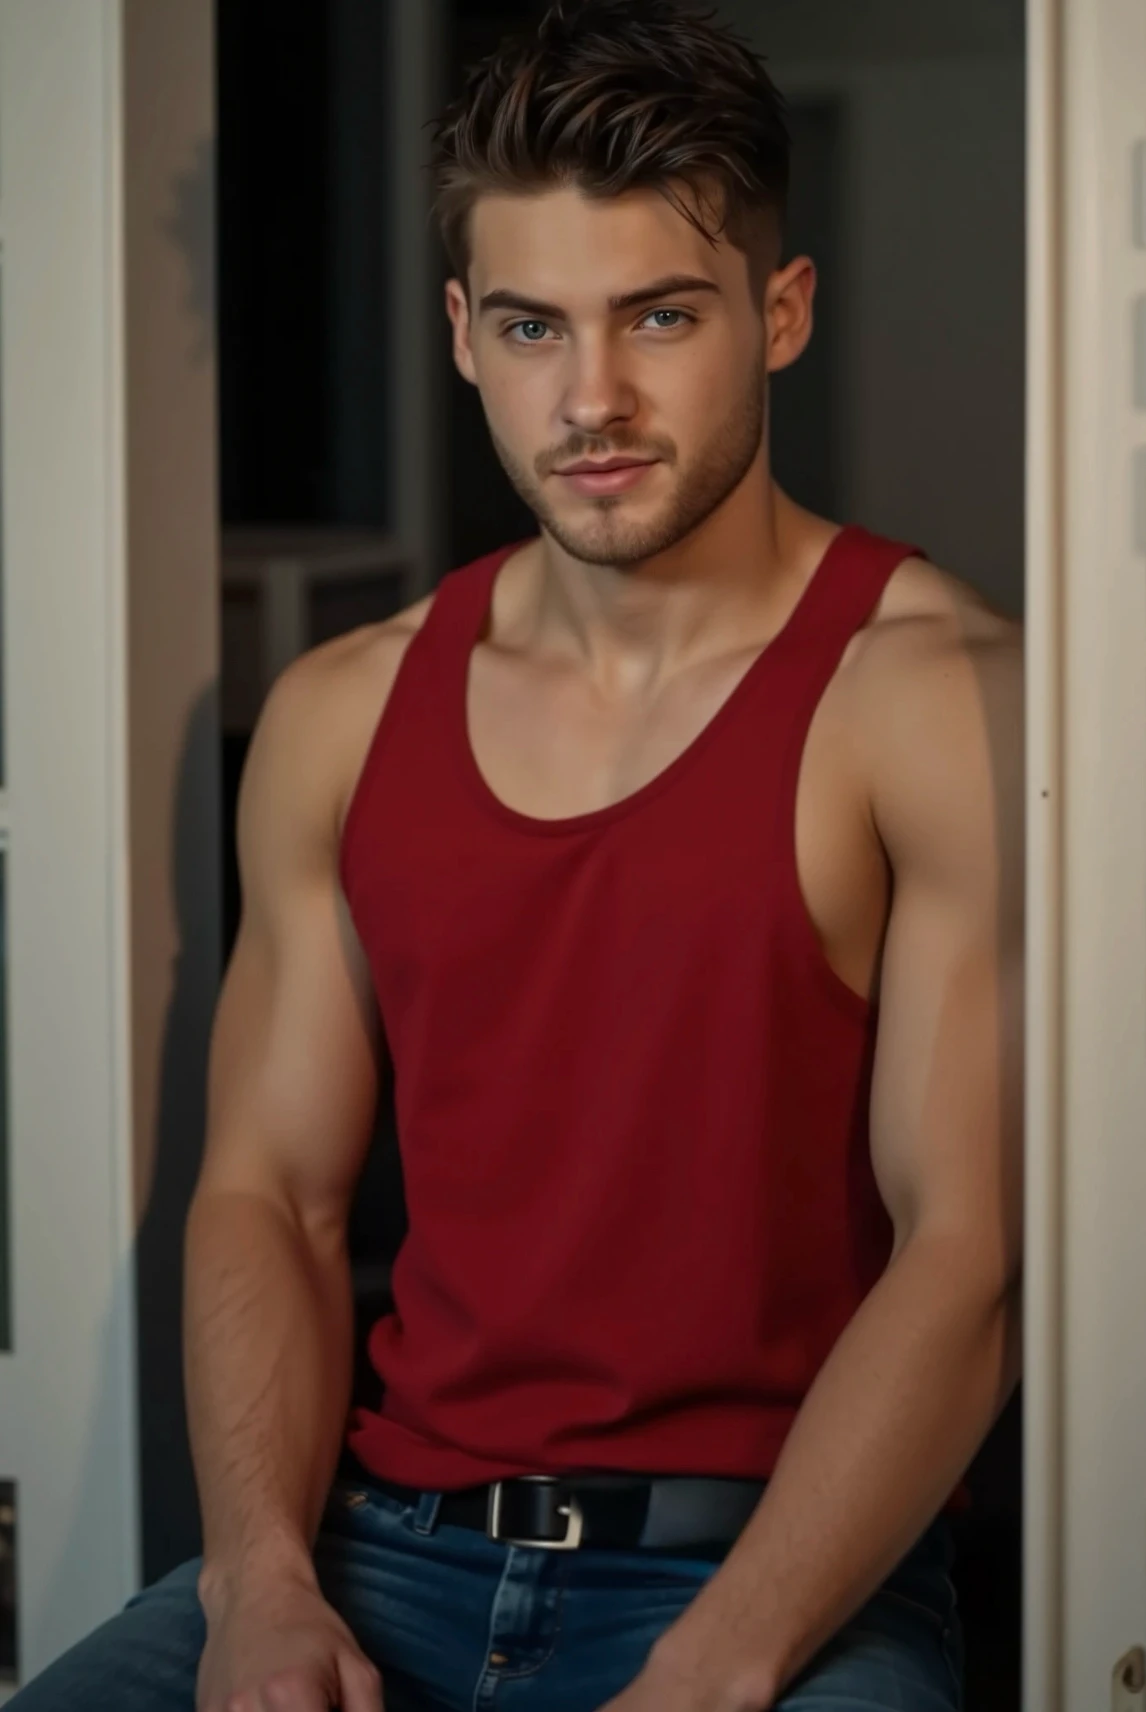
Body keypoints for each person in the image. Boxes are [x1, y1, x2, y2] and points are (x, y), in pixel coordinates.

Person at [13, 1, 1024, 1708]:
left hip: (779, 1576)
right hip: (371, 1549)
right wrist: (258, 1583)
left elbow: (966, 1259)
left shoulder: (940, 703)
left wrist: (716, 1665)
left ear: (777, 316)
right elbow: (268, 1189)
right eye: (537, 325)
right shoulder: (346, 713)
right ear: (465, 334)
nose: (595, 396)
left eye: (660, 317)